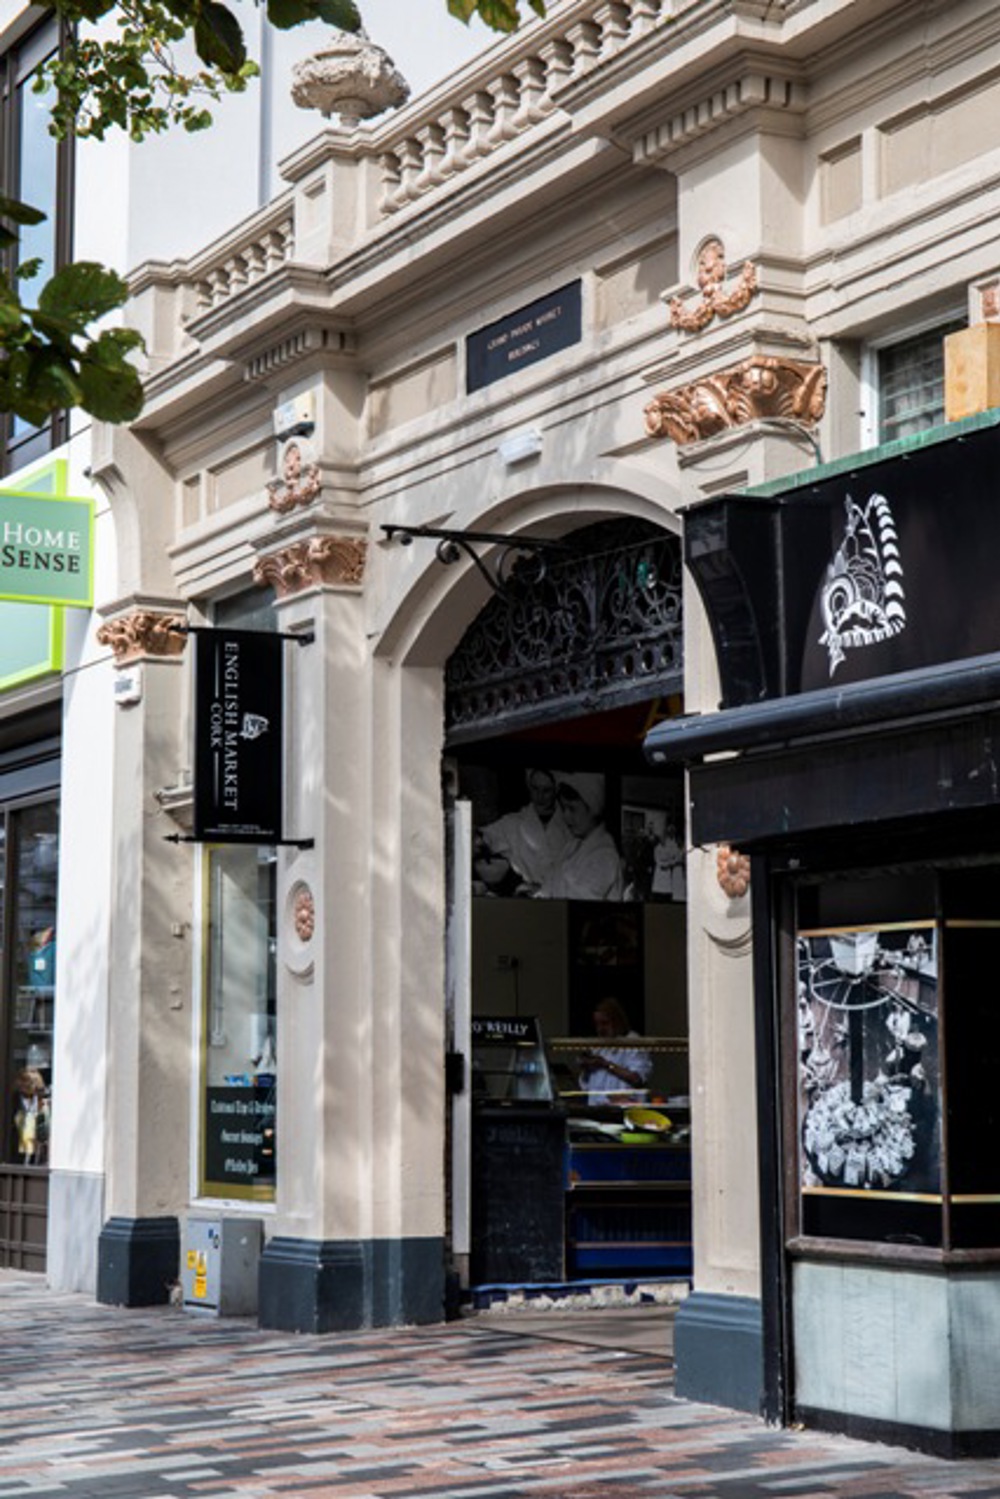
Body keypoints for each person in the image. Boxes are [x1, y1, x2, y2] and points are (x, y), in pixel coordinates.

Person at [475, 768, 574, 892]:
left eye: (546, 790)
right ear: (529, 787)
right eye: (535, 789)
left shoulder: (572, 824)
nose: (540, 796)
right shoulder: (514, 823)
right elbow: (484, 837)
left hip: (565, 896)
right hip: (528, 897)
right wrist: (477, 838)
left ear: (556, 790)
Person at [535, 773, 624, 901]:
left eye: (572, 809)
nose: (566, 816)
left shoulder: (605, 856)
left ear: (593, 810)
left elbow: (578, 902)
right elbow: (550, 884)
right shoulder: (572, 846)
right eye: (563, 808)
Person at [578, 998, 653, 1106]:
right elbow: (585, 1086)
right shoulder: (598, 1047)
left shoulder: (632, 1042)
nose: (600, 1029)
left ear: (617, 1021)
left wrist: (605, 1065)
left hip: (623, 1109)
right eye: (597, 1024)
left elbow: (637, 1079)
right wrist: (586, 1069)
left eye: (604, 1024)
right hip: (597, 1108)